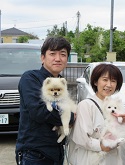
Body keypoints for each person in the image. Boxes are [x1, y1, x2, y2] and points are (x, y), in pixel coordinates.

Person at [15, 37, 75, 165]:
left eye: (63, 54)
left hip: (57, 152)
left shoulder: (61, 82)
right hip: (34, 154)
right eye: (52, 54)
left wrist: (68, 115)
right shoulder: (30, 78)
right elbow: (39, 112)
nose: (58, 58)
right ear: (42, 58)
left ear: (67, 60)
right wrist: (70, 118)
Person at [68, 63, 123, 165]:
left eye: (113, 81)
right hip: (89, 159)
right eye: (105, 79)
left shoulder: (117, 107)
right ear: (95, 82)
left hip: (110, 159)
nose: (109, 85)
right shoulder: (86, 105)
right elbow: (81, 138)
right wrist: (101, 146)